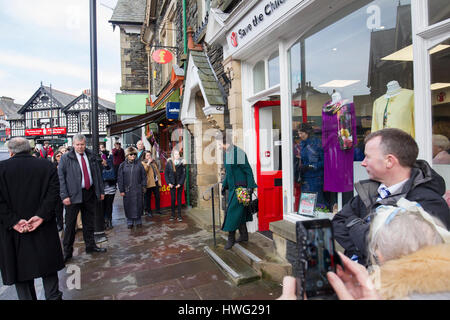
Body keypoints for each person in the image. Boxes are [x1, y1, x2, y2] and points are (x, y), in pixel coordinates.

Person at [332, 128, 450, 266]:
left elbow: (393, 252)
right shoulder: (371, 190)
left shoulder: (429, 203)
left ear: (389, 161)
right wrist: (366, 248)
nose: (363, 163)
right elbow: (338, 222)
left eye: (368, 156)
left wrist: (354, 224)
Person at [0, 137, 64, 300]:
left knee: (21, 276)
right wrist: (41, 216)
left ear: (11, 151)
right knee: (49, 272)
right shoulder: (47, 166)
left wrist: (14, 221)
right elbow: (53, 195)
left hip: (15, 233)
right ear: (30, 149)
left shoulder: (2, 169)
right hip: (43, 228)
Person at [58, 133, 106, 263]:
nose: (80, 147)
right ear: (73, 145)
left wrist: (100, 191)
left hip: (89, 193)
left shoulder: (90, 155)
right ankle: (67, 252)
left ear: (85, 144)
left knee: (89, 222)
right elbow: (61, 178)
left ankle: (90, 246)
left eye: (82, 145)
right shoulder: (66, 158)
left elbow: (97, 175)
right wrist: (65, 195)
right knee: (70, 225)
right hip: (73, 196)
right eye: (78, 145)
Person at [219, 132, 257, 250]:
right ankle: (244, 235)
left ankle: (231, 238)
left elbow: (248, 171)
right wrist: (224, 185)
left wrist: (250, 186)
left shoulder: (238, 153)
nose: (219, 146)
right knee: (241, 212)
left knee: (232, 212)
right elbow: (228, 173)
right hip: (233, 189)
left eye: (220, 143)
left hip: (242, 189)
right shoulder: (227, 153)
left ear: (227, 143)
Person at [298, 123, 326, 209]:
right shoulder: (301, 144)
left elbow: (324, 161)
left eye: (301, 133)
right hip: (305, 178)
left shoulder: (317, 143)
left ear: (307, 132)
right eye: (298, 133)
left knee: (318, 204)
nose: (300, 135)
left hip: (316, 178)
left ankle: (320, 220)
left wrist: (311, 166)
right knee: (307, 207)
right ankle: (308, 220)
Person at [117, 147, 147, 229]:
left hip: (138, 188)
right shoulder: (122, 165)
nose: (133, 156)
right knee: (128, 205)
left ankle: (138, 221)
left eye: (134, 154)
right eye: (131, 154)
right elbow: (120, 178)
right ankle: (129, 221)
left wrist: (144, 186)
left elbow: (144, 176)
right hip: (128, 190)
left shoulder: (139, 164)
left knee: (138, 205)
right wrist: (121, 190)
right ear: (127, 155)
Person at [165, 149, 186, 222]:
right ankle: (172, 215)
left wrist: (180, 183)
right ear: (173, 155)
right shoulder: (169, 163)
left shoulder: (182, 163)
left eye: (178, 154)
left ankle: (179, 215)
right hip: (172, 184)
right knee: (173, 199)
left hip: (179, 184)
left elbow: (184, 174)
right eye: (175, 154)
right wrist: (169, 183)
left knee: (179, 200)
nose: (177, 156)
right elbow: (166, 174)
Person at [100, 145, 117, 230]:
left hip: (110, 187)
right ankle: (103, 221)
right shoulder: (96, 164)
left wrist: (106, 165)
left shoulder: (110, 161)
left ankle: (109, 220)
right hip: (102, 189)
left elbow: (112, 173)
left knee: (109, 205)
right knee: (102, 206)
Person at [142, 151, 162, 217]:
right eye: (147, 155)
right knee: (148, 198)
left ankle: (158, 210)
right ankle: (149, 211)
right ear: (144, 156)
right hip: (149, 183)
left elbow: (157, 171)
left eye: (149, 155)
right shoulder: (143, 163)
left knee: (158, 197)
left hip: (155, 182)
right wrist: (148, 163)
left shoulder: (153, 162)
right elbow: (144, 171)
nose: (149, 156)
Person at [52, 151, 64, 232]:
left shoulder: (66, 163)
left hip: (65, 188)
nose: (59, 157)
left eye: (61, 156)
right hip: (57, 189)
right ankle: (60, 224)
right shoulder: (53, 166)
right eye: (58, 156)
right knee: (58, 209)